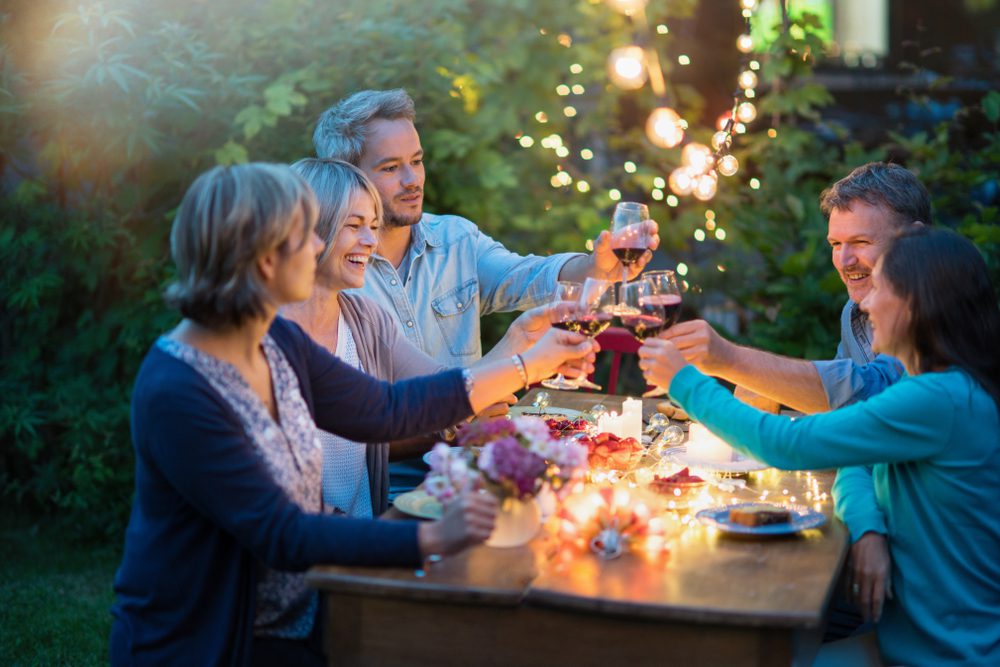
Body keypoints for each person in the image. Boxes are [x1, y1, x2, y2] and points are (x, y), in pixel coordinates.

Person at [110, 163, 597, 666]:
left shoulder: (274, 341)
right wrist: (430, 536)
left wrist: (528, 362)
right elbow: (284, 532)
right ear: (263, 260)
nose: (318, 246)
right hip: (209, 642)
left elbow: (386, 409)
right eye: (303, 236)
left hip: (307, 610)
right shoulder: (179, 390)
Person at [638, 226, 1000, 667]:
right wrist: (868, 526)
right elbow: (855, 456)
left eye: (880, 289)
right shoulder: (936, 389)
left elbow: (785, 443)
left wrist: (683, 381)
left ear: (915, 305)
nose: (865, 304)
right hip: (906, 639)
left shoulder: (936, 400)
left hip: (947, 654)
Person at [658, 162, 931, 624]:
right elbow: (858, 442)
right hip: (882, 547)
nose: (845, 261)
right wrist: (865, 528)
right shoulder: (858, 313)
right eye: (835, 245)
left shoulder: (935, 335)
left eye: (861, 243)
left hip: (924, 587)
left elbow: (858, 397)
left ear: (915, 240)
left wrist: (709, 366)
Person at [281, 157, 570, 519]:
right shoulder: (269, 341)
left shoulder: (364, 318)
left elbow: (442, 390)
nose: (371, 241)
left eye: (373, 226)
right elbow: (393, 411)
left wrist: (520, 340)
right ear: (309, 232)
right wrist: (526, 365)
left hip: (363, 536)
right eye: (354, 226)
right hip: (321, 550)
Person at [311, 87, 661, 367]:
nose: (412, 180)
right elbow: (363, 416)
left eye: (416, 162)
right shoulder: (331, 270)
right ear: (349, 175)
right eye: (390, 168)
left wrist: (595, 267)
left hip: (470, 452)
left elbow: (528, 276)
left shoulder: (455, 240)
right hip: (392, 456)